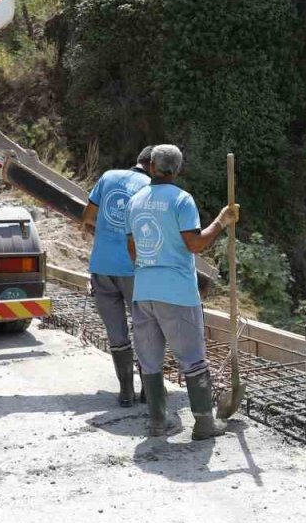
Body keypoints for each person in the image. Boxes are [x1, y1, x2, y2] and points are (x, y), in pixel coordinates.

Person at [127, 145, 239, 439]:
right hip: (176, 292)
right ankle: (203, 423)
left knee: (149, 359)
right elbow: (195, 244)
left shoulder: (135, 201)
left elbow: (132, 251)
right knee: (192, 358)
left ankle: (157, 421)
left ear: (152, 167)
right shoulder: (181, 200)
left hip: (143, 290)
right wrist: (222, 221)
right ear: (177, 170)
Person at [81, 146, 154, 407]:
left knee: (116, 332)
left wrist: (107, 233)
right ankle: (149, 392)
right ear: (154, 166)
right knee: (145, 329)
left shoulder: (108, 177)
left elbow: (87, 218)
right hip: (133, 271)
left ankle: (125, 393)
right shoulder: (151, 188)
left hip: (101, 266)